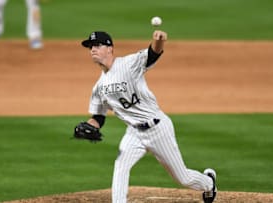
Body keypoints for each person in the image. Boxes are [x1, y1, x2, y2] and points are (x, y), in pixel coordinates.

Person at [78, 30, 217, 203]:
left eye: (97, 45)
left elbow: (152, 54)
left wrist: (158, 40)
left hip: (158, 128)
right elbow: (98, 117)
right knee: (120, 166)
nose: (92, 49)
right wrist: (90, 125)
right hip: (134, 133)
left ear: (110, 49)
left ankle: (209, 183)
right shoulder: (98, 87)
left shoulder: (128, 64)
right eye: (90, 47)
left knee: (183, 178)